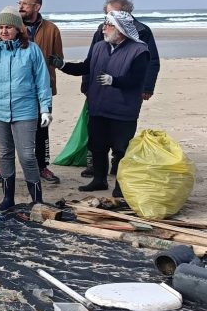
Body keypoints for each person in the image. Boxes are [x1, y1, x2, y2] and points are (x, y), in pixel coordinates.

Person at [52, 11, 149, 197]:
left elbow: (136, 81)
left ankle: (121, 187)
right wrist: (63, 65)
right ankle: (99, 180)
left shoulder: (139, 50)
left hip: (123, 111)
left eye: (108, 25)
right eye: (104, 24)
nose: (103, 28)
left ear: (120, 29)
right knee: (97, 146)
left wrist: (114, 81)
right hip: (98, 108)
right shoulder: (98, 47)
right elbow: (85, 67)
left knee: (121, 150)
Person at [0, 6, 52, 210]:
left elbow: (42, 81)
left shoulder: (32, 50)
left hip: (25, 110)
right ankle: (8, 199)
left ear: (18, 28)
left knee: (27, 155)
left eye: (8, 26)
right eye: (0, 27)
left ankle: (37, 200)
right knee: (5, 153)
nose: (4, 31)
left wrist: (45, 108)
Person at [78, 0, 161, 177]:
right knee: (97, 134)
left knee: (121, 136)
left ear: (126, 13)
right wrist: (86, 84)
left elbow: (152, 61)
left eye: (115, 14)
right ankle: (96, 170)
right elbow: (90, 61)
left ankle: (118, 167)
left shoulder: (142, 31)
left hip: (126, 92)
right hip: (99, 92)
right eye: (108, 14)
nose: (109, 20)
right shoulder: (101, 30)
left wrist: (147, 87)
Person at [0, 0, 63, 185]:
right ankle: (6, 166)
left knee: (42, 130)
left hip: (41, 89)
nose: (20, 6)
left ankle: (42, 166)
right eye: (19, 3)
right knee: (11, 128)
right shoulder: (13, 26)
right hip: (14, 90)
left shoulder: (51, 29)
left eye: (25, 4)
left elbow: (58, 58)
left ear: (37, 7)